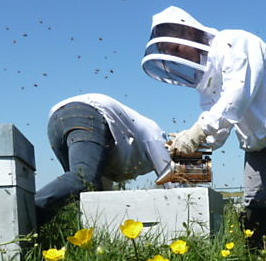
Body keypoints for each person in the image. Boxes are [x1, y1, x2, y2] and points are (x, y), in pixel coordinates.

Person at [142, 6, 266, 249]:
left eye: (177, 49)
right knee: (253, 199)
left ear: (188, 33)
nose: (181, 57)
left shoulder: (236, 43)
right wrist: (191, 145)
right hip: (256, 140)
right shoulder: (206, 75)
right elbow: (218, 125)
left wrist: (198, 131)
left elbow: (237, 96)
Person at [34, 93, 173, 227]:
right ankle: (24, 212)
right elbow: (173, 185)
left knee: (86, 194)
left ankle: (33, 233)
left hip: (57, 121)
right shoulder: (158, 138)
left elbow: (100, 195)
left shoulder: (118, 148)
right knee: (83, 179)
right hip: (85, 113)